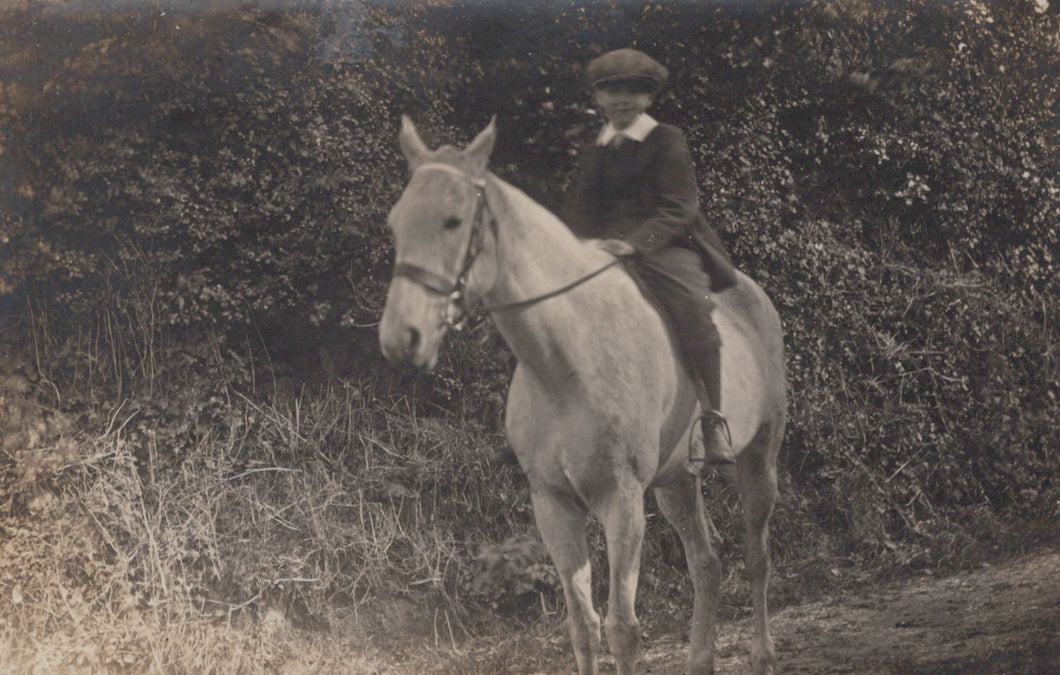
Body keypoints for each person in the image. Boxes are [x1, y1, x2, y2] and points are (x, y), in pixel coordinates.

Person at [563, 47, 738, 471]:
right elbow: (580, 211)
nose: (621, 99)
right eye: (611, 91)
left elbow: (679, 208)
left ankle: (712, 420)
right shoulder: (595, 149)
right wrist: (572, 247)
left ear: (648, 98)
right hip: (602, 249)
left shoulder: (666, 140)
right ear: (598, 99)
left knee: (694, 312)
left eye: (632, 91)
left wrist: (635, 244)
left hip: (664, 246)